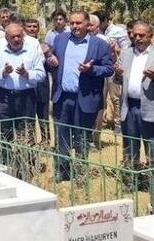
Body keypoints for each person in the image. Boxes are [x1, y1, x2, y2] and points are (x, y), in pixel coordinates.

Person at [47, 10, 114, 181]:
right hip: (62, 97)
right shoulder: (61, 39)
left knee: (81, 137)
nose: (75, 26)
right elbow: (53, 63)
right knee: (61, 135)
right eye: (72, 23)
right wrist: (50, 61)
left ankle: (80, 172)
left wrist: (91, 69)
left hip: (85, 98)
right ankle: (62, 170)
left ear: (87, 24)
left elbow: (108, 69)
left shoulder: (99, 44)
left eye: (79, 23)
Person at [113, 21, 154, 200]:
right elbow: (118, 81)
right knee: (129, 147)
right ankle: (130, 181)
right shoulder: (125, 53)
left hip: (151, 109)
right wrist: (117, 74)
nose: (137, 38)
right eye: (135, 35)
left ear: (150, 36)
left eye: (142, 35)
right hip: (129, 107)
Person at [0, 22, 46, 141]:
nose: (16, 39)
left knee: (26, 133)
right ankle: (6, 159)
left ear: (23, 36)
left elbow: (41, 75)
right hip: (4, 97)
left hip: (26, 97)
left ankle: (27, 159)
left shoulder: (32, 51)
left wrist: (27, 74)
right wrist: (3, 72)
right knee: (4, 133)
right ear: (6, 38)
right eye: (12, 37)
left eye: (19, 36)